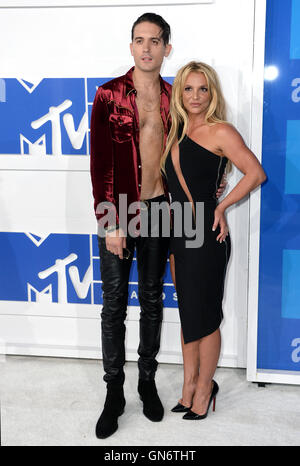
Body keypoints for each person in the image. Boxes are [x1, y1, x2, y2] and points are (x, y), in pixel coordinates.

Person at [90, 15, 225, 438]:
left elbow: (195, 148)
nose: (146, 48)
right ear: (131, 47)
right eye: (139, 40)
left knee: (151, 300)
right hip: (120, 211)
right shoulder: (108, 95)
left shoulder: (176, 99)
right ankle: (115, 393)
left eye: (155, 41)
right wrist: (110, 220)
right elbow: (100, 164)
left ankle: (146, 383)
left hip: (162, 211)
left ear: (167, 48)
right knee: (113, 306)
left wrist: (216, 175)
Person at [161, 61, 266, 420]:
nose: (195, 96)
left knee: (205, 317)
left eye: (202, 89)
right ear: (179, 92)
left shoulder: (221, 131)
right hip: (178, 231)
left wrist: (222, 205)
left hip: (207, 232)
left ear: (212, 93)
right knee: (189, 314)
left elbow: (255, 173)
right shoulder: (172, 129)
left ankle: (206, 388)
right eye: (188, 89)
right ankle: (188, 385)